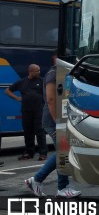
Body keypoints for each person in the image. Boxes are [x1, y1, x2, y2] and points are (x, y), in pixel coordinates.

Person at [25, 53, 81, 198]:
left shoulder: (61, 73)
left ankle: (42, 181)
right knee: (63, 152)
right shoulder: (52, 75)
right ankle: (56, 186)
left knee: (63, 151)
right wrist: (58, 123)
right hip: (53, 120)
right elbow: (50, 100)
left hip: (58, 119)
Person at [4, 64, 48, 160]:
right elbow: (7, 90)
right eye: (37, 71)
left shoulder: (42, 81)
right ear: (31, 71)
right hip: (26, 110)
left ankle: (43, 153)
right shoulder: (22, 82)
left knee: (39, 131)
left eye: (39, 70)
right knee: (28, 132)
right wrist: (16, 98)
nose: (39, 72)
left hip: (38, 110)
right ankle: (29, 152)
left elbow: (48, 93)